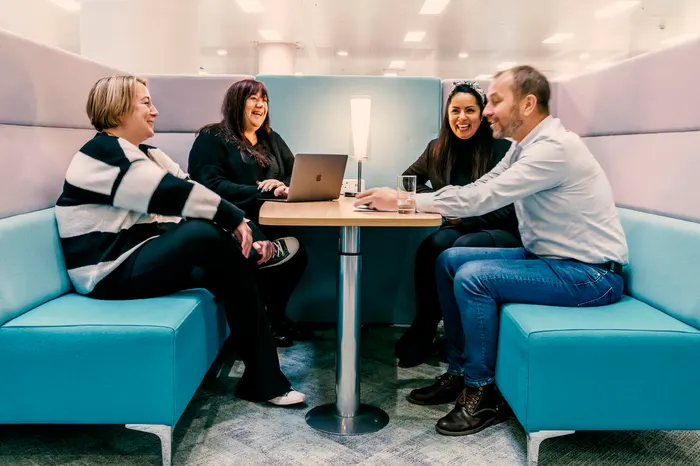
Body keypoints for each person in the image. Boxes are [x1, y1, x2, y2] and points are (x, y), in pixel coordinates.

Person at [355, 65, 628, 435]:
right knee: (449, 259)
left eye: (495, 101)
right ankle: (457, 372)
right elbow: (486, 183)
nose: (486, 111)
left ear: (528, 103)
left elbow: (484, 197)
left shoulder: (553, 149)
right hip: (551, 261)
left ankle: (483, 392)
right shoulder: (522, 147)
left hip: (590, 275)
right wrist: (410, 199)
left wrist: (405, 200)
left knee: (473, 277)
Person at [55, 75, 306, 406]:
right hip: (108, 272)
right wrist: (233, 221)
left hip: (141, 256)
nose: (155, 111)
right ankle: (259, 270)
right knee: (204, 233)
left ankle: (262, 379)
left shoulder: (149, 154)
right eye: (145, 102)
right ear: (117, 110)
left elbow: (193, 189)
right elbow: (172, 194)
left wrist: (246, 228)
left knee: (232, 271)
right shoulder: (101, 154)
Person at [395, 81, 521, 368]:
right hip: (455, 229)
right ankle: (425, 325)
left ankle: (453, 342)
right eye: (455, 111)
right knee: (432, 246)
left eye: (469, 110)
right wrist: (439, 202)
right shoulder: (437, 148)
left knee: (456, 246)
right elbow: (408, 182)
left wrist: (461, 216)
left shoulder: (501, 149)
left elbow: (509, 207)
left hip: (499, 230)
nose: (461, 118)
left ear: (482, 113)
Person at [188, 79, 312, 348]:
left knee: (298, 257)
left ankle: (276, 317)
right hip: (232, 222)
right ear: (236, 103)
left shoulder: (271, 138)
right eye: (253, 99)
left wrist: (283, 185)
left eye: (264, 99)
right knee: (268, 262)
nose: (260, 105)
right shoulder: (213, 137)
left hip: (271, 218)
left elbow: (294, 172)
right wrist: (260, 190)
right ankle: (263, 326)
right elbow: (208, 185)